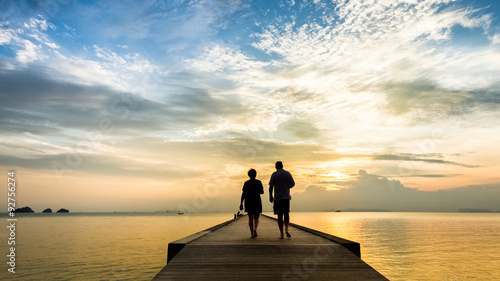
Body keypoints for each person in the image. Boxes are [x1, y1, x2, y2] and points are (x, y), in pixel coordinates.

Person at [269, 161, 295, 239]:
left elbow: (271, 187)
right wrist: (287, 187)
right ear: (282, 166)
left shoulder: (274, 174)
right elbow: (293, 184)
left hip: (278, 198)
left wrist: (270, 196)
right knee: (286, 214)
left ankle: (281, 234)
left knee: (280, 216)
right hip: (286, 197)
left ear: (276, 167)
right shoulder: (288, 174)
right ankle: (286, 229)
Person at [240, 169, 264, 238]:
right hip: (256, 200)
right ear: (255, 175)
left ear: (248, 175)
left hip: (248, 201)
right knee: (256, 217)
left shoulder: (246, 183)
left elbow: (243, 194)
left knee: (250, 217)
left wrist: (241, 203)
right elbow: (262, 192)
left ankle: (251, 234)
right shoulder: (258, 182)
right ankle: (255, 229)